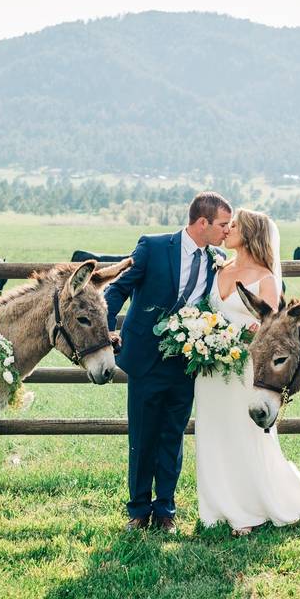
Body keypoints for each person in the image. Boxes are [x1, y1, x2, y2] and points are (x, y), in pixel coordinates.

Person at [195, 208, 300, 535]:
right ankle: (215, 507)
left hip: (247, 371)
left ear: (251, 234)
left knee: (244, 435)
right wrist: (203, 333)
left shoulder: (265, 279)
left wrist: (232, 338)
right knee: (213, 433)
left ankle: (249, 508)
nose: (227, 229)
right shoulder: (218, 269)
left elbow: (270, 333)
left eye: (235, 226)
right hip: (210, 370)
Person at [105, 191, 231, 533]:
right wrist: (107, 331)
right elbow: (117, 289)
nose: (227, 231)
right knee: (143, 436)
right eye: (222, 224)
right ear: (202, 222)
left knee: (172, 437)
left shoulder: (217, 258)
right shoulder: (154, 246)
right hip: (146, 358)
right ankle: (137, 510)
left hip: (185, 362)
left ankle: (165, 511)